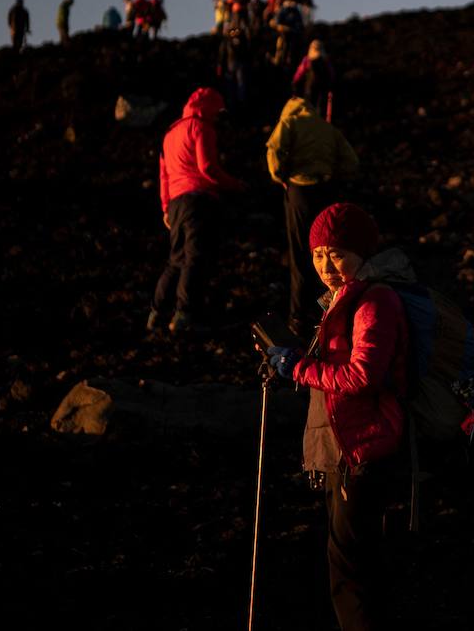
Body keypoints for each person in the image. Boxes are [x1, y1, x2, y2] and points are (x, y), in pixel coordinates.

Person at [263, 202, 408, 631]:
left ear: (362, 253)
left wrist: (298, 367)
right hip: (346, 448)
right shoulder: (345, 299)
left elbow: (362, 375)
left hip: (363, 450)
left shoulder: (375, 300)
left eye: (337, 255)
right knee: (358, 560)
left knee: (349, 568)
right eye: (318, 255)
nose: (326, 266)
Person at [151, 87, 245, 333]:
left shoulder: (170, 133)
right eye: (218, 110)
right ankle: (185, 315)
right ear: (210, 107)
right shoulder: (201, 127)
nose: (219, 116)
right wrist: (235, 185)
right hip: (198, 201)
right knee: (195, 258)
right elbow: (207, 168)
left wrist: (166, 207)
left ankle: (158, 312)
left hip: (176, 203)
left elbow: (164, 176)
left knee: (176, 259)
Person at [266, 96, 359, 329]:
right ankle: (330, 310)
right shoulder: (327, 128)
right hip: (326, 190)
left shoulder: (289, 123)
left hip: (299, 191)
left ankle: (297, 316)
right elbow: (351, 162)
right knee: (328, 251)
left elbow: (274, 149)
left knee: (300, 253)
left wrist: (280, 176)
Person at [292, 39, 335, 121]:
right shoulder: (325, 60)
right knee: (319, 108)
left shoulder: (307, 60)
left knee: (310, 108)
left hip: (310, 89)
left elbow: (299, 73)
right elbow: (331, 74)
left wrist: (294, 82)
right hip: (322, 89)